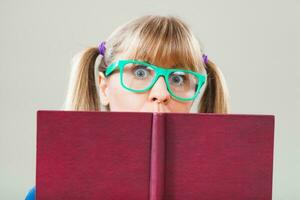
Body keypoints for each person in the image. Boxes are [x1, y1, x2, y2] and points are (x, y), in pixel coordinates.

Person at [25, 14, 230, 199]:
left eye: (178, 79)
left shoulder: (225, 193)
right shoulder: (48, 194)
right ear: (104, 87)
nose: (161, 93)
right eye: (140, 72)